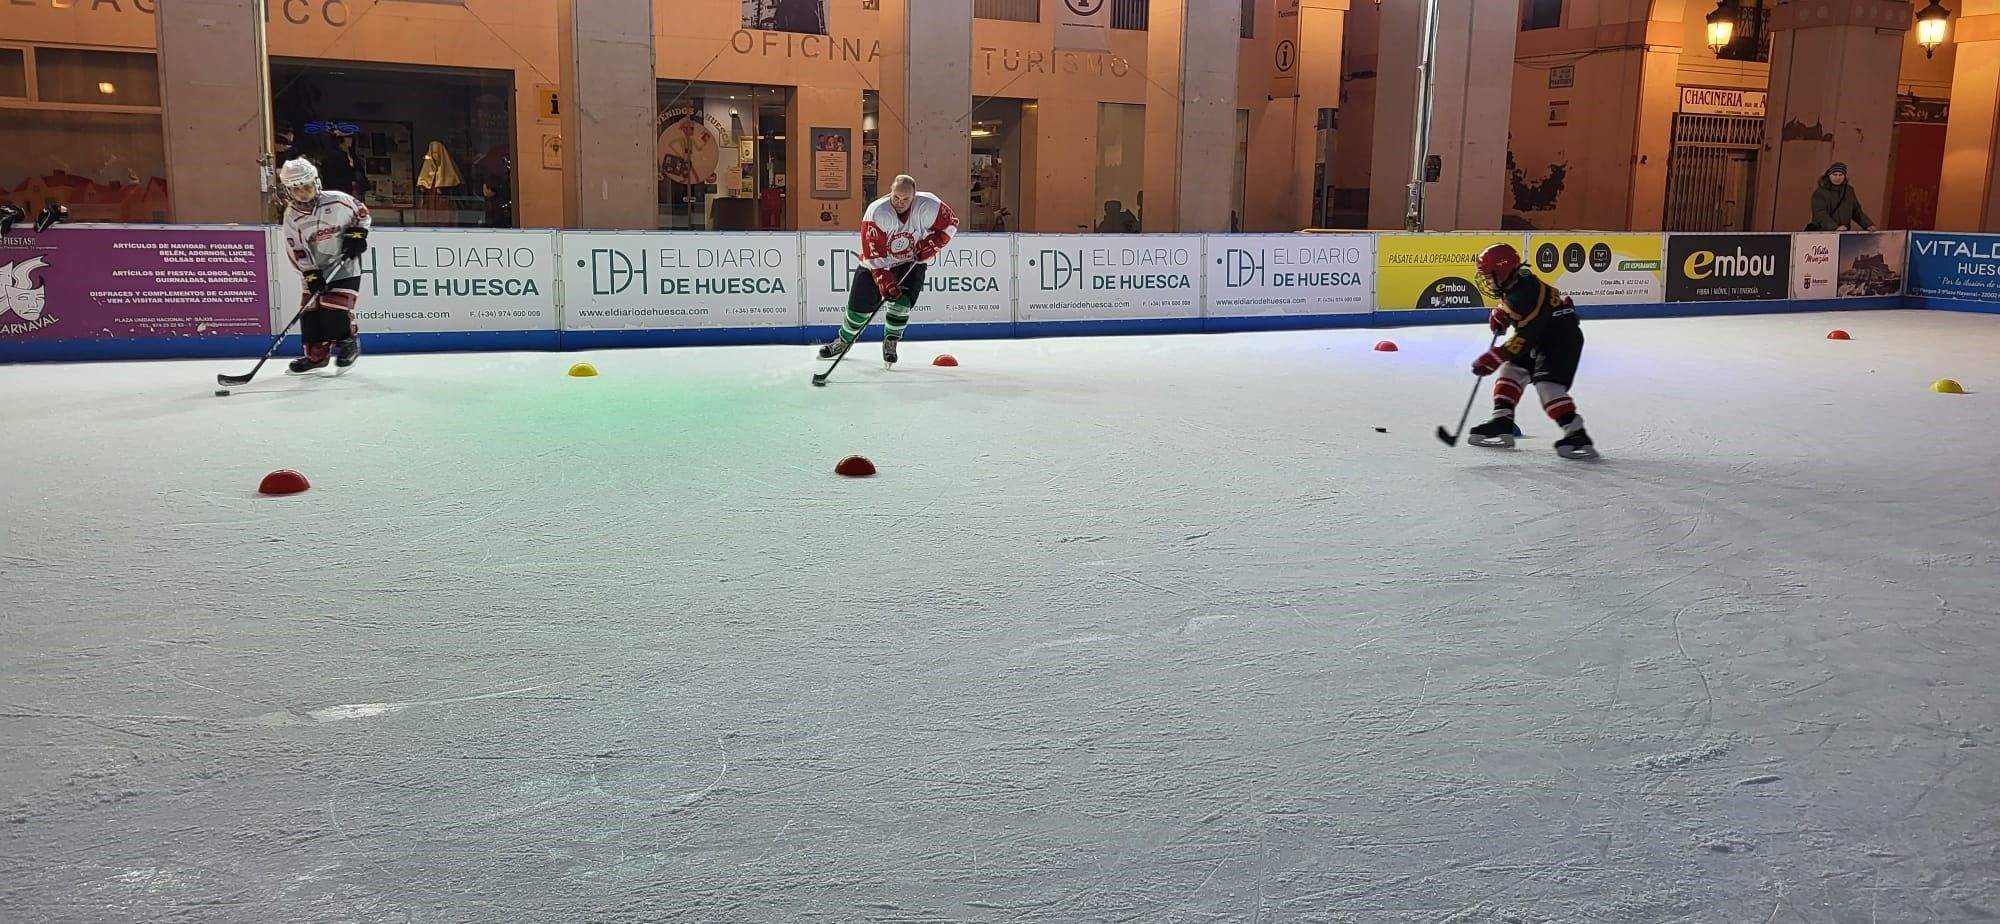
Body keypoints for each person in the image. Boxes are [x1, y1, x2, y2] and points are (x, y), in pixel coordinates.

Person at [1466, 243, 1596, 460]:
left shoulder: (1524, 294)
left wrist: (1495, 356)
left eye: (1490, 276)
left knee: (1548, 387)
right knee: (1512, 370)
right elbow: (1515, 302)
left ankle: (1576, 433)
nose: (1488, 282)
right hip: (1541, 335)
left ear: (1504, 271)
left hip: (1561, 340)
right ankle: (1502, 421)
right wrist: (1502, 312)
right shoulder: (1519, 280)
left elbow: (1525, 338)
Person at [819, 174, 957, 366]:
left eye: (906, 199)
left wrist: (934, 244)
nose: (900, 203)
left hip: (910, 262)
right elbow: (874, 255)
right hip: (876, 263)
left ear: (914, 196)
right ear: (890, 192)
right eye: (896, 197)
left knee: (901, 304)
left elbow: (951, 224)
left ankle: (890, 341)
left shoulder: (929, 206)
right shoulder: (877, 212)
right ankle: (843, 341)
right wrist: (884, 280)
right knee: (858, 310)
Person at [277, 159, 370, 374]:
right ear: (288, 191)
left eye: (307, 187)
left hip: (344, 265)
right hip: (315, 269)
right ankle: (316, 357)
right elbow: (296, 248)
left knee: (333, 308)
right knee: (310, 313)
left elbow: (362, 214)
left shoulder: (338, 200)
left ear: (316, 183)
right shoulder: (292, 216)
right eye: (296, 189)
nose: (303, 193)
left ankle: (348, 344)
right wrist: (310, 273)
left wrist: (357, 236)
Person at [1807, 162, 1874, 232]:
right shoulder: (1820, 192)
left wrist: (1868, 224)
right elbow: (1820, 214)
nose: (1837, 178)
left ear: (1844, 176)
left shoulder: (1849, 191)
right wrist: (1834, 227)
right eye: (1834, 175)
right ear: (1829, 175)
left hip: (1843, 231)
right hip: (1823, 232)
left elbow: (1856, 211)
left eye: (1840, 175)